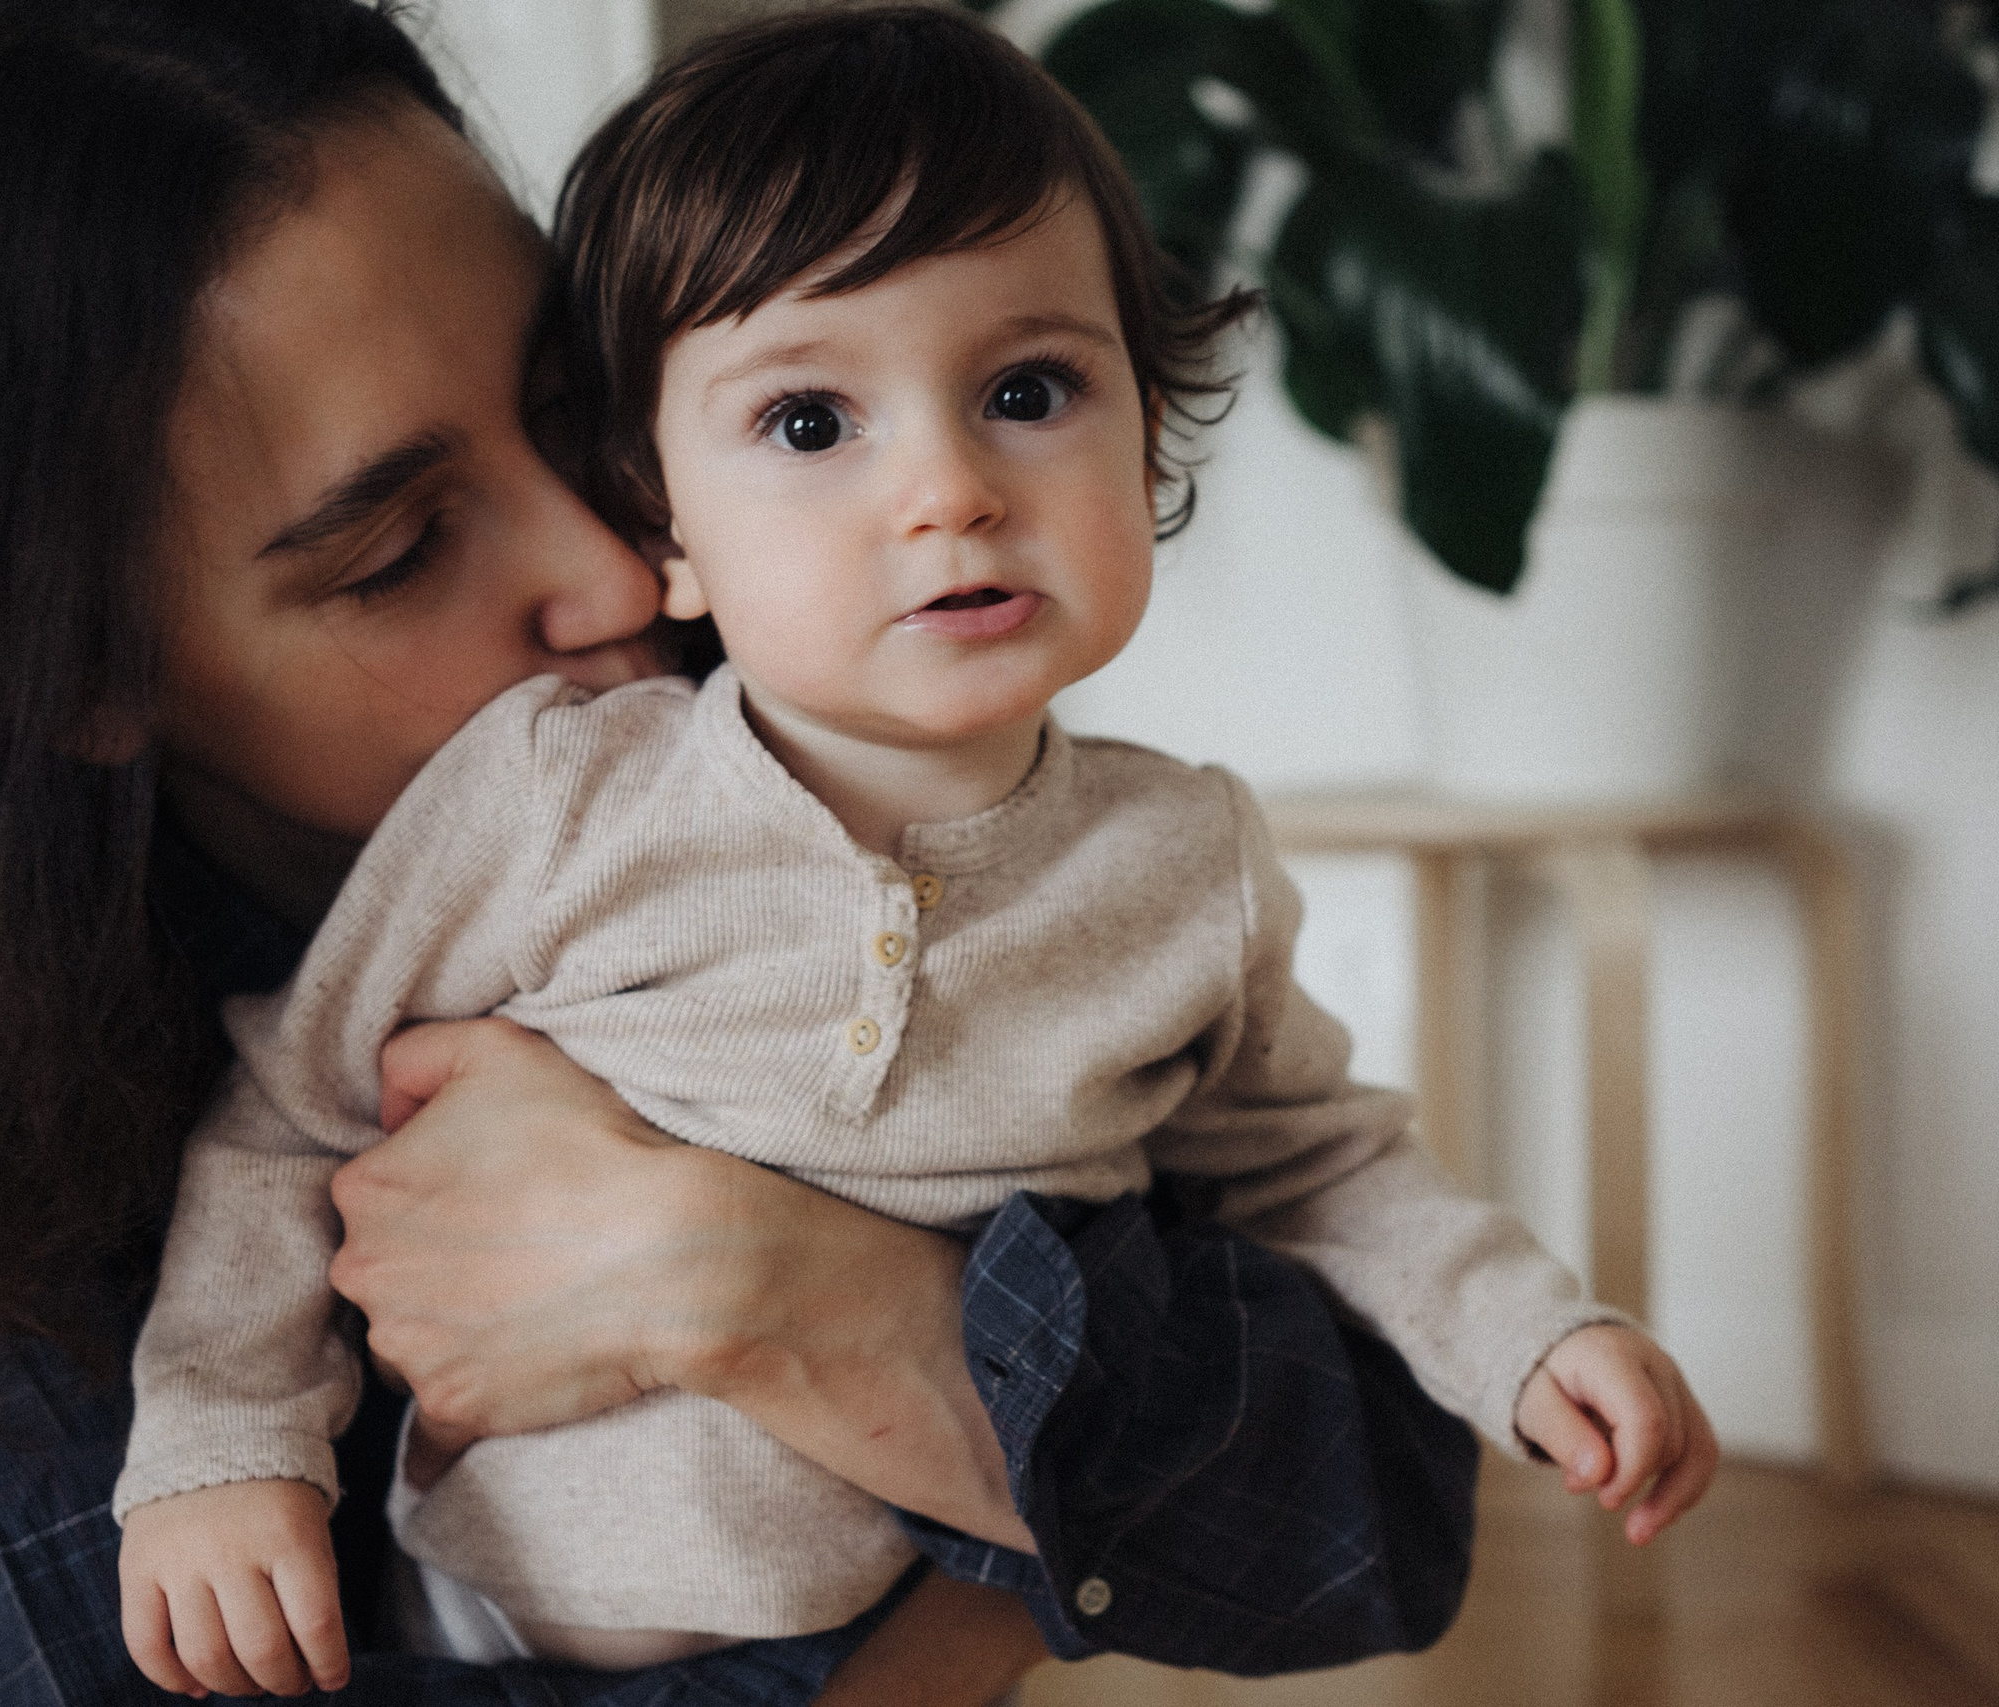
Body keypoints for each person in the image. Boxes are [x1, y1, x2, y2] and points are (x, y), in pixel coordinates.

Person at [0, 2, 1500, 1702]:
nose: (621, 575)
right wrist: (957, 1599)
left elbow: (1366, 1516)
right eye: (394, 551)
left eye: (578, 416)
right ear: (74, 665)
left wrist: (779, 1288)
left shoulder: (827, 746)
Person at [111, 4, 1722, 1691]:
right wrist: (225, 1446)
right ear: (665, 525)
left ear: (1147, 434)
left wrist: (1532, 1332)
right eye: (811, 425)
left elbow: (1311, 1165)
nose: (949, 489)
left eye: (1028, 391)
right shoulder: (555, 794)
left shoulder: (1186, 863)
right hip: (488, 1629)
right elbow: (289, 1115)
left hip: (907, 1625)